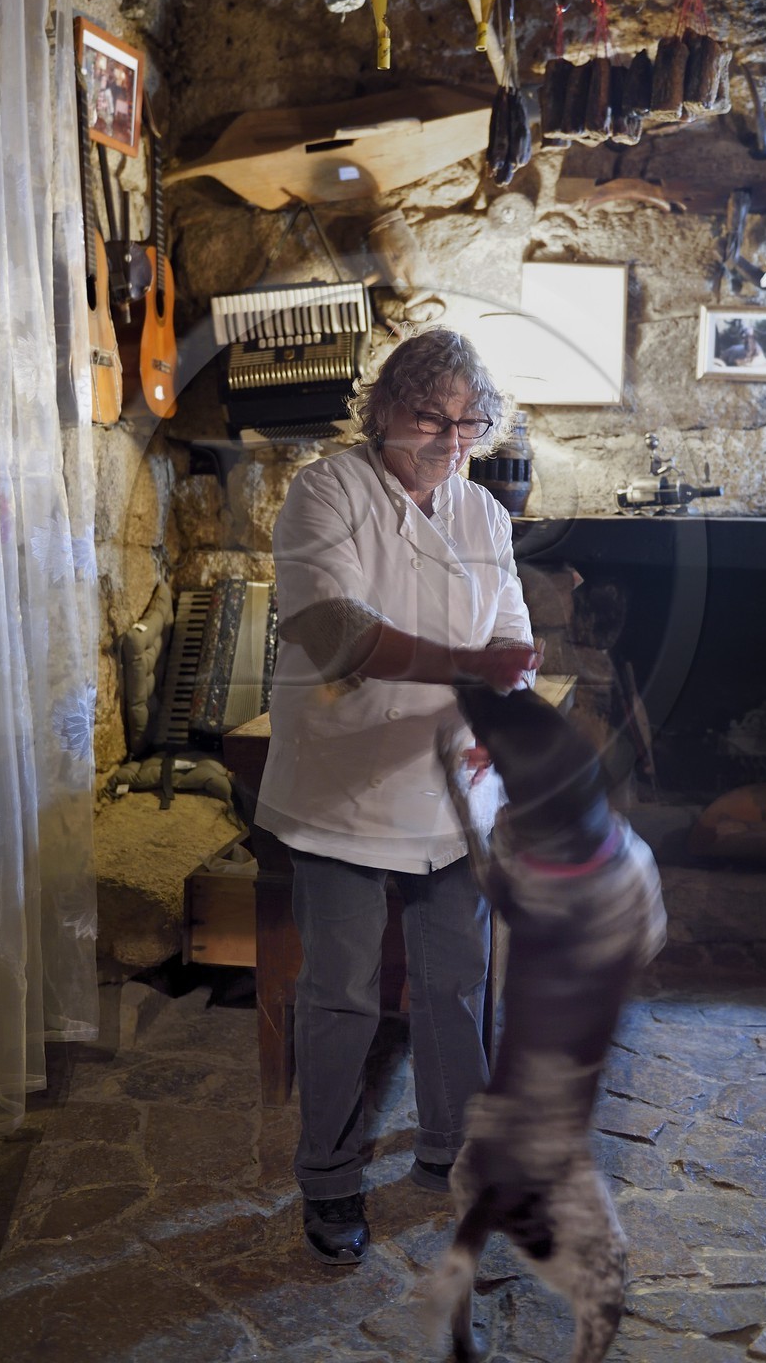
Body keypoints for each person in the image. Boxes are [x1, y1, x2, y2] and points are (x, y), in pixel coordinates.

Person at [256, 327, 540, 1266]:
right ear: (382, 411)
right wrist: (470, 667)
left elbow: (511, 642)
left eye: (471, 422)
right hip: (341, 784)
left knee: (457, 983)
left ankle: (451, 1153)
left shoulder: (483, 517)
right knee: (339, 995)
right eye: (430, 417)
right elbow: (337, 633)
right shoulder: (326, 491)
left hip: (453, 791)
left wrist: (499, 721)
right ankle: (330, 1183)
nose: (451, 439)